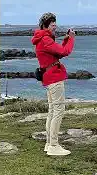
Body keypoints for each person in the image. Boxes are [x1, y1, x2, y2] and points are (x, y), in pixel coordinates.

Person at [31, 13, 75, 156]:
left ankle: (49, 143)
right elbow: (65, 52)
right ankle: (54, 145)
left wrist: (66, 39)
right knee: (58, 111)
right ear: (45, 25)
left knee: (52, 111)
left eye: (55, 24)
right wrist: (72, 39)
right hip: (54, 78)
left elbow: (58, 53)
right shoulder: (45, 40)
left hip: (49, 77)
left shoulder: (43, 39)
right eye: (52, 25)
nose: (55, 27)